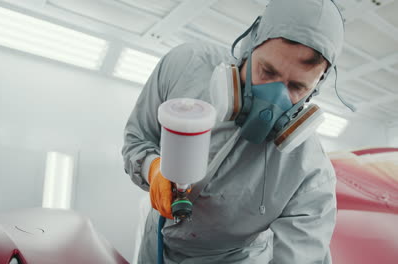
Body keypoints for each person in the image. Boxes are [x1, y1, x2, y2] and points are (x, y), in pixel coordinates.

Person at [122, 0, 344, 263]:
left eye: (297, 86)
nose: (274, 99)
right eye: (267, 70)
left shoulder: (311, 173)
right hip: (154, 246)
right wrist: (153, 168)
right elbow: (137, 140)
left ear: (315, 89)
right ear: (251, 45)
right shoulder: (185, 67)